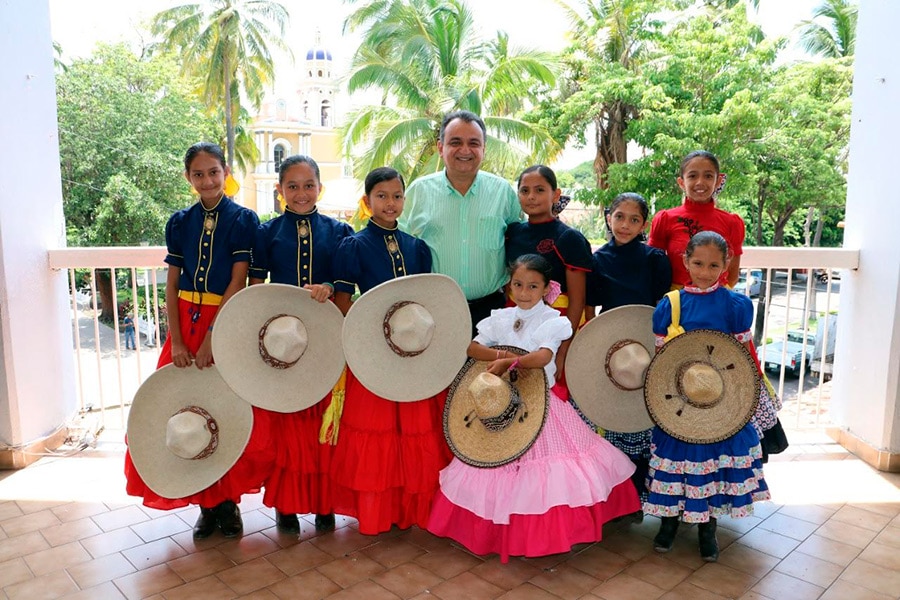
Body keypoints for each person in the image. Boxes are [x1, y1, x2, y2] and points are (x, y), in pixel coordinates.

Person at [427, 254, 640, 562]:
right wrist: (505, 355)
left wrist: (509, 361)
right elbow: (473, 348)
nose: (524, 292)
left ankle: (544, 534)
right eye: (518, 285)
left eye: (532, 286)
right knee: (495, 461)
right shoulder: (500, 317)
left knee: (547, 469)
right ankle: (497, 531)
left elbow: (542, 357)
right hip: (501, 403)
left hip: (541, 404)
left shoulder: (552, 320)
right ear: (509, 285)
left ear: (546, 288)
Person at [124, 141, 264, 539]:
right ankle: (206, 505)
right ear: (188, 177)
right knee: (183, 408)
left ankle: (228, 504)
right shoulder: (179, 222)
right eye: (198, 174)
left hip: (225, 320)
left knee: (225, 410)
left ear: (226, 172)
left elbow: (238, 281)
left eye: (213, 172)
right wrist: (178, 340)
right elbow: (171, 285)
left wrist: (212, 338)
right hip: (185, 323)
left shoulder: (243, 220)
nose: (207, 181)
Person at [329, 168, 456, 534]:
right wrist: (366, 338)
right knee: (379, 429)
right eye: (381, 196)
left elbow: (426, 300)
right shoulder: (353, 246)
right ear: (367, 201)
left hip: (415, 352)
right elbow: (342, 301)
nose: (390, 203)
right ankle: (378, 512)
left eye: (397, 196)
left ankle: (412, 511)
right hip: (373, 353)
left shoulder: (417, 248)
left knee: (415, 428)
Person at [646, 231, 771, 561]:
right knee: (677, 460)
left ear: (726, 265)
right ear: (685, 261)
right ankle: (668, 522)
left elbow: (745, 353)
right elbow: (661, 359)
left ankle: (708, 528)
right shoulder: (670, 305)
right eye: (698, 263)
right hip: (679, 400)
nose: (704, 272)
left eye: (713, 265)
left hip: (721, 398)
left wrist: (751, 389)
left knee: (712, 463)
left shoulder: (736, 306)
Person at [249, 154, 353, 533]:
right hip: (282, 342)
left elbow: (344, 285)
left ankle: (324, 504)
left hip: (325, 337)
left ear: (320, 188)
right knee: (289, 424)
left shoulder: (340, 232)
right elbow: (256, 289)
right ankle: (287, 505)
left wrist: (328, 287)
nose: (301, 193)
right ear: (280, 191)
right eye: (292, 186)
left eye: (309, 185)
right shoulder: (267, 233)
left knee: (323, 421)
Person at [584, 192, 672, 508]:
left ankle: (641, 494)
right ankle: (617, 498)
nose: (625, 225)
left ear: (643, 225)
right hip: (611, 345)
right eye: (619, 216)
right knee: (613, 414)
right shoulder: (598, 260)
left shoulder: (655, 259)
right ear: (609, 217)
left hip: (646, 341)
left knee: (643, 415)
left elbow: (662, 304)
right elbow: (592, 305)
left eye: (634, 219)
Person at [401, 110, 520, 335]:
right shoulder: (418, 192)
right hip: (433, 311)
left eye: (473, 143)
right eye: (455, 142)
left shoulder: (503, 192)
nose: (465, 150)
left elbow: (519, 244)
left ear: (484, 149)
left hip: (493, 312)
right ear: (440, 147)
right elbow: (399, 248)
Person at [505, 165, 591, 389]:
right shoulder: (513, 233)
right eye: (525, 191)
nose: (531, 197)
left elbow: (578, 300)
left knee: (551, 391)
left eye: (540, 190)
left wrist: (563, 349)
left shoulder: (569, 238)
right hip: (516, 323)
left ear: (556, 194)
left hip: (554, 324)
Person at [648, 150, 744, 289]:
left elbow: (732, 276)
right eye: (692, 176)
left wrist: (715, 296)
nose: (700, 182)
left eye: (708, 176)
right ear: (681, 182)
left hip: (717, 298)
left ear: (718, 181)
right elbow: (653, 268)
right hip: (676, 299)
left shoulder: (732, 223)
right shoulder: (665, 219)